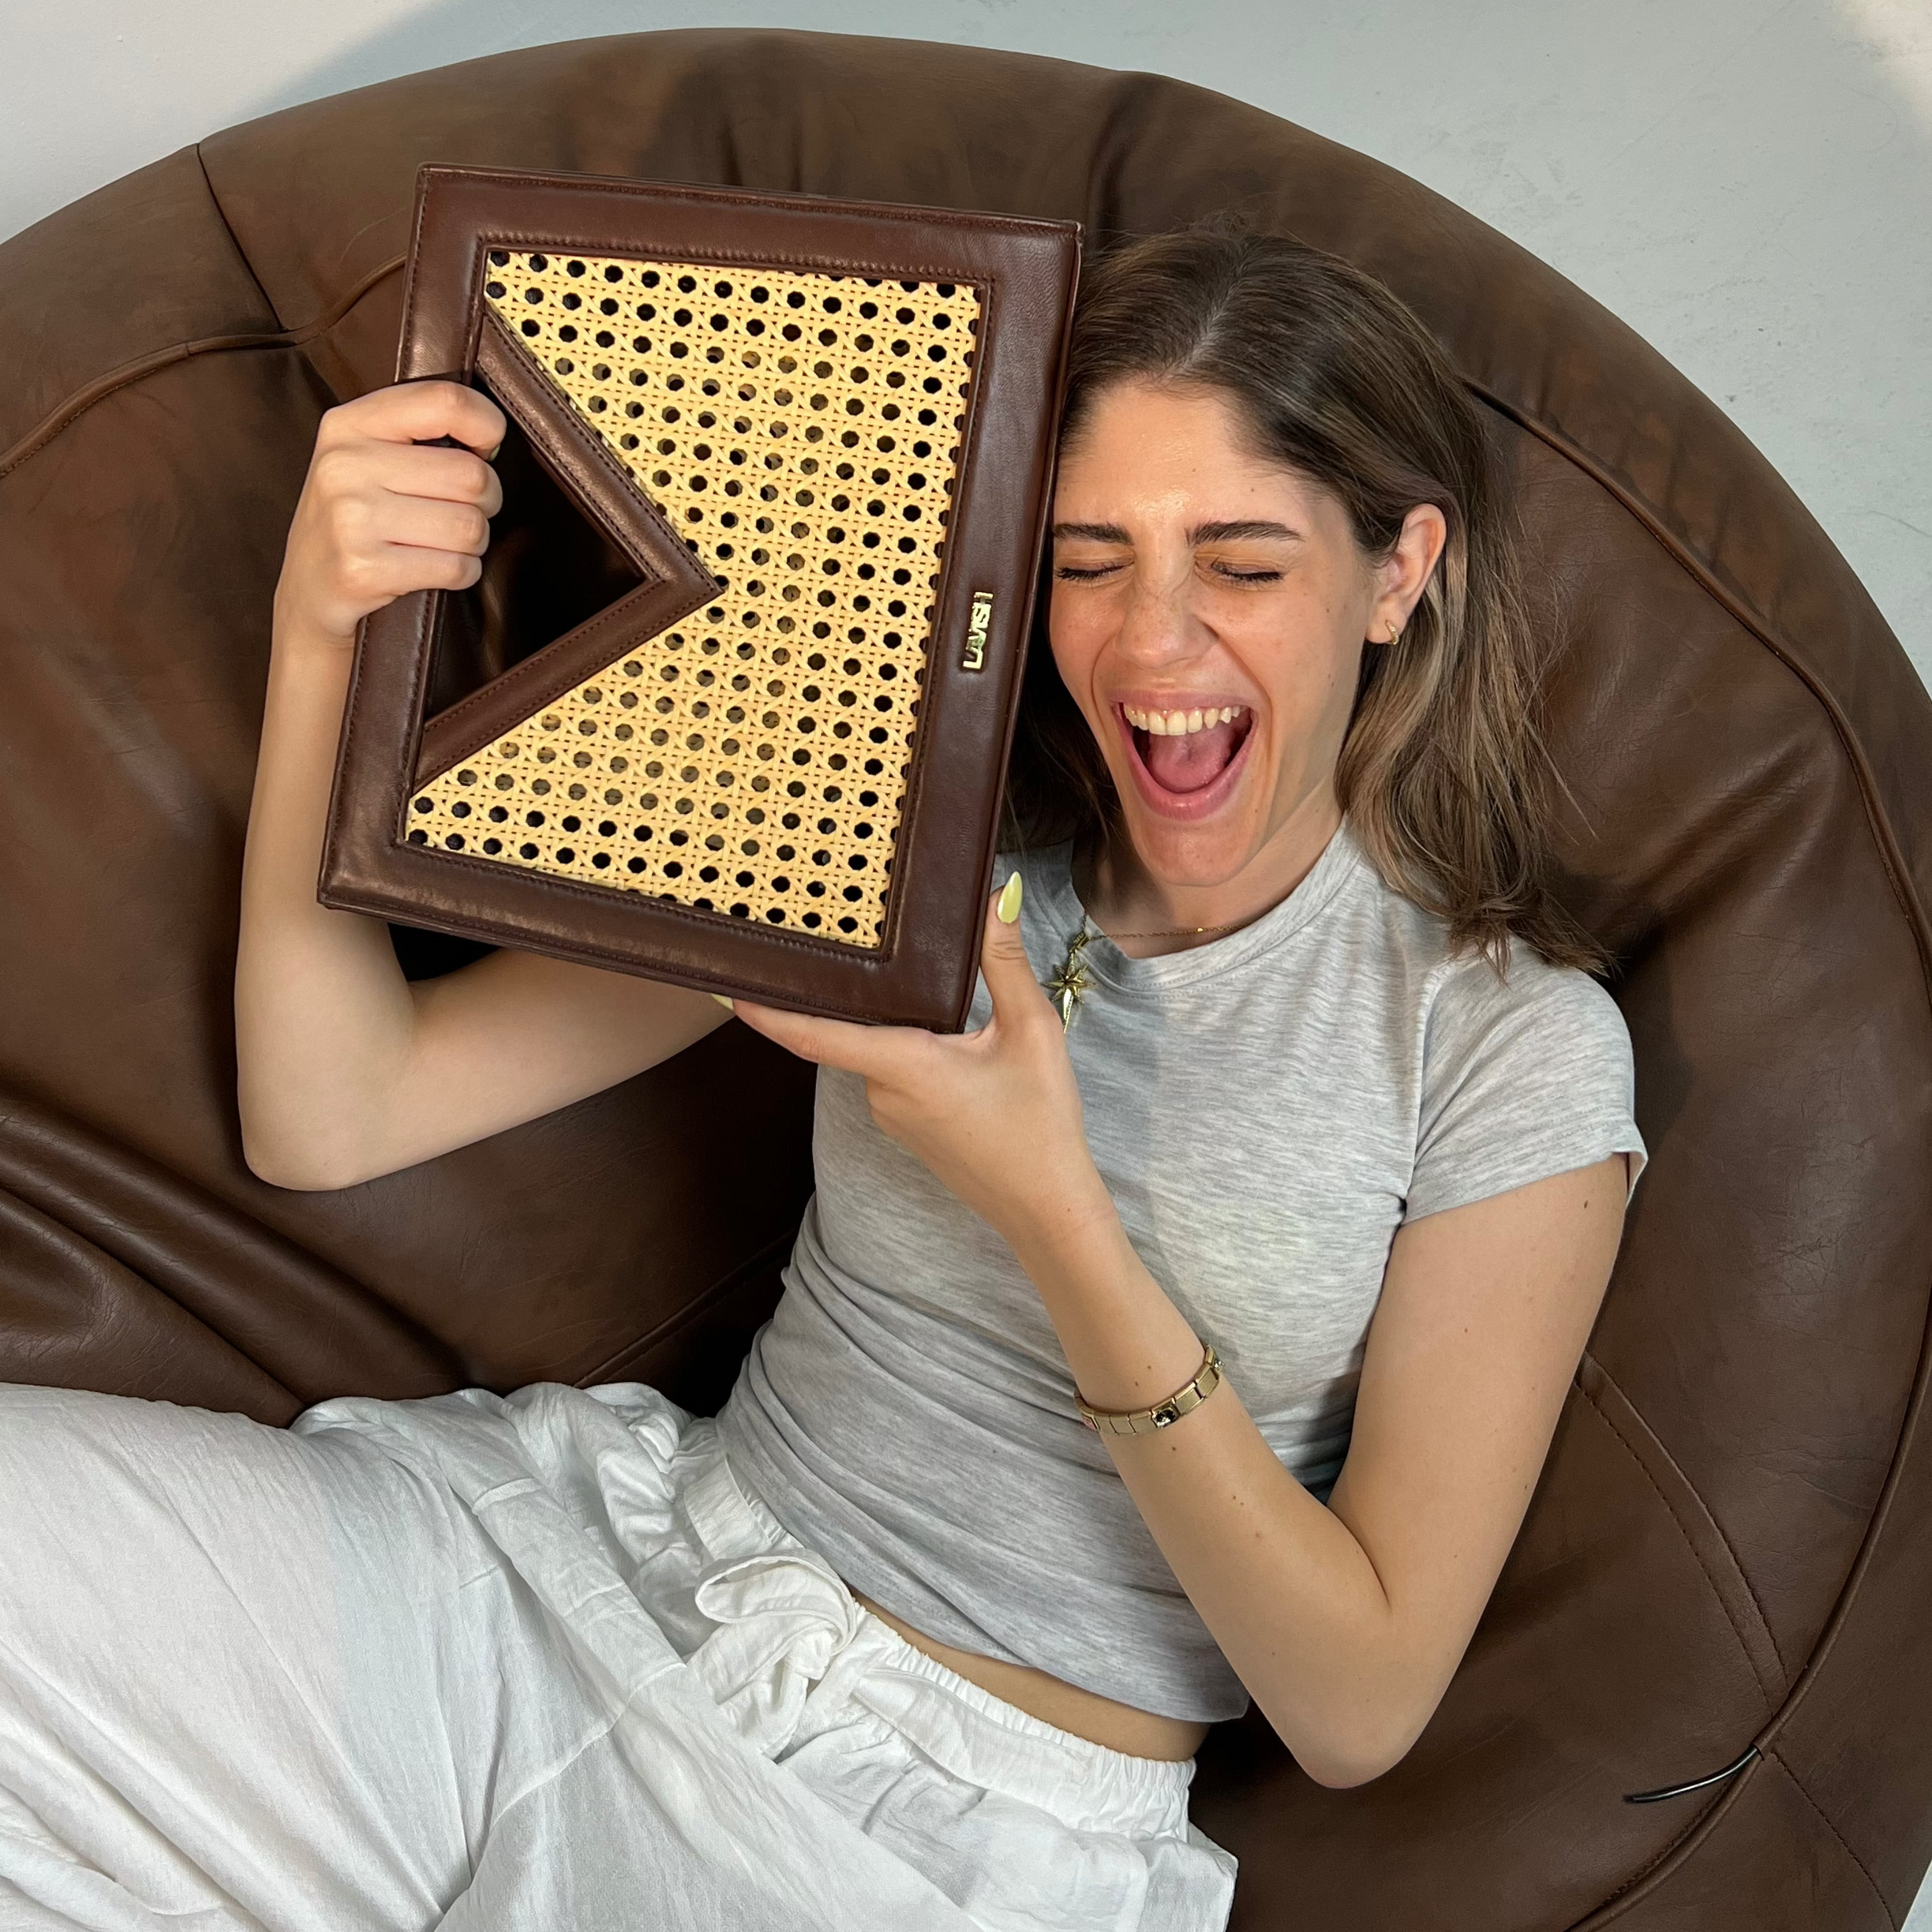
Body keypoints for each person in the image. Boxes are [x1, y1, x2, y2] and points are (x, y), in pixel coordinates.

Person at [0, 228, 1643, 1932]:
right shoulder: (911, 836)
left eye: (1240, 561)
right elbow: (334, 1111)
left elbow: (1357, 1704)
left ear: (1397, 572)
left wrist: (1052, 1209)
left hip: (932, 1836)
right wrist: (324, 642)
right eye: (1088, 559)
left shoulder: (1502, 1047)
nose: (1155, 643)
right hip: (593, 1586)